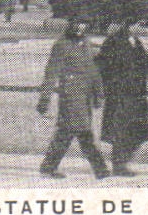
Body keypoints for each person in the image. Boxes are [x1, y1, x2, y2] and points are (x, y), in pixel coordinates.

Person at [36, 20, 108, 179]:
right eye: (77, 23)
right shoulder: (61, 44)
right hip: (70, 97)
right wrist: (44, 99)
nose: (80, 27)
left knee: (67, 132)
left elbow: (93, 71)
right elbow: (51, 73)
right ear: (71, 24)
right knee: (82, 132)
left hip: (84, 97)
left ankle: (48, 167)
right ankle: (100, 169)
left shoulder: (86, 43)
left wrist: (98, 94)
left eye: (84, 24)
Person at [94, 16, 148, 177]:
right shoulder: (114, 41)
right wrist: (112, 86)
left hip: (136, 94)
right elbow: (102, 64)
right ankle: (119, 165)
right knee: (121, 131)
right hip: (120, 95)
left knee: (138, 131)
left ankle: (122, 162)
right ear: (130, 25)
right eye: (140, 24)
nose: (143, 28)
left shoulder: (135, 41)